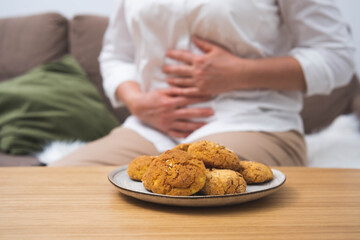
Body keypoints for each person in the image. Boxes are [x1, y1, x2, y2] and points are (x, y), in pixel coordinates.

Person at [51, 0, 355, 166]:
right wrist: (137, 102)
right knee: (63, 183)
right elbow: (116, 54)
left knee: (197, 191)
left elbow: (337, 56)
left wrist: (241, 73)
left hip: (252, 122)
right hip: (151, 130)